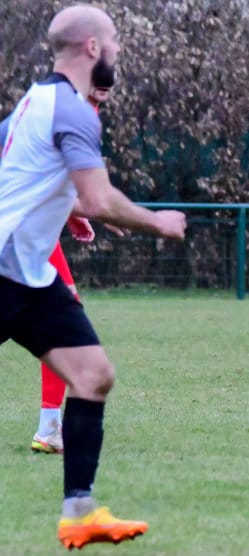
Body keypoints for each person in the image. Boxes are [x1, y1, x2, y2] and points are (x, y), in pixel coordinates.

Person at [0, 4, 186, 550]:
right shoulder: (73, 112)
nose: (118, 53)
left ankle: (79, 513)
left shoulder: (36, 102)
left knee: (93, 375)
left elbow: (33, 177)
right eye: (116, 44)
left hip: (29, 277)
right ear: (92, 48)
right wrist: (157, 221)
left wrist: (70, 206)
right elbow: (102, 198)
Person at [25, 86, 119, 456]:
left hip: (33, 229)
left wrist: (74, 214)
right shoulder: (68, 110)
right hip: (22, 229)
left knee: (60, 319)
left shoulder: (69, 108)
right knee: (60, 324)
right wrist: (90, 210)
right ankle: (49, 429)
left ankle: (49, 428)